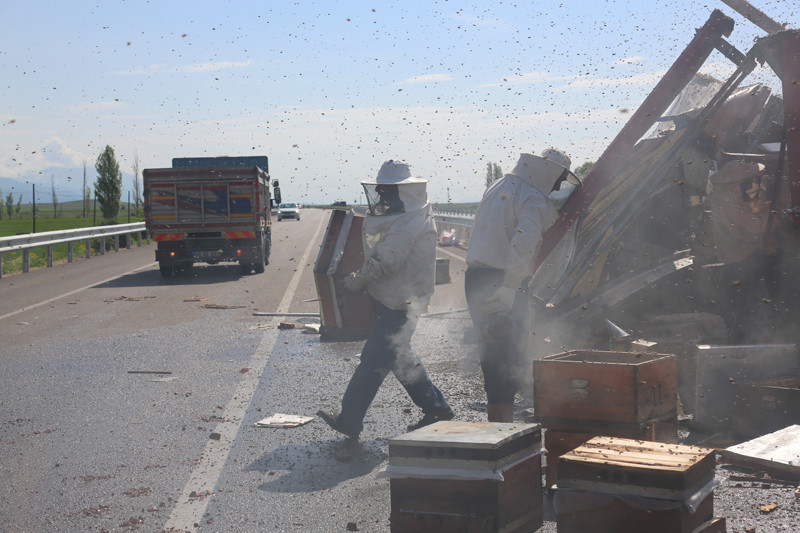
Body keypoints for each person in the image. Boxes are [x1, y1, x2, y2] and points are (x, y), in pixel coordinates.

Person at [317, 160, 453, 439]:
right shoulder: (409, 215)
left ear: (402, 193)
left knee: (372, 362)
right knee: (399, 357)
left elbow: (387, 262)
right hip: (399, 298)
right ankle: (437, 408)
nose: (382, 197)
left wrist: (356, 281)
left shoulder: (410, 220)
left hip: (403, 302)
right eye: (380, 191)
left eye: (387, 192)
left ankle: (350, 420)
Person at [465, 149, 580, 422]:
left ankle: (500, 421)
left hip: (476, 279)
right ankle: (500, 430)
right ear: (549, 173)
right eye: (559, 179)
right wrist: (509, 287)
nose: (558, 186)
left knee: (493, 351)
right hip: (503, 280)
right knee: (505, 357)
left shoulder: (499, 185)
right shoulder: (533, 198)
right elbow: (524, 245)